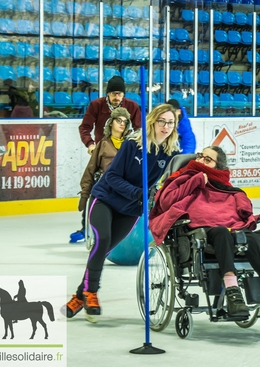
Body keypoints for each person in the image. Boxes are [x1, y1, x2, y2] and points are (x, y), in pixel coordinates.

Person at [64, 103, 181, 322]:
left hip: (130, 209)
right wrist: (137, 192)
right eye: (162, 121)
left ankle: (80, 295)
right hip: (106, 199)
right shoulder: (133, 144)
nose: (166, 126)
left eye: (170, 122)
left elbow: (163, 183)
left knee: (103, 250)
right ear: (153, 121)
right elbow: (112, 177)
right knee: (102, 240)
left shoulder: (172, 152)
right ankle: (91, 293)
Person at [149, 146, 260, 317]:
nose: (200, 160)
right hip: (202, 229)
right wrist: (195, 181)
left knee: (252, 238)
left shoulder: (224, 185)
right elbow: (165, 202)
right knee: (222, 233)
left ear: (218, 167)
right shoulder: (184, 177)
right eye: (200, 156)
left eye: (207, 159)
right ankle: (233, 294)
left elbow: (239, 201)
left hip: (231, 226)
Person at [69, 107, 133, 243]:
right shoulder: (102, 145)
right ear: (111, 122)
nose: (122, 124)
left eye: (125, 121)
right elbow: (90, 170)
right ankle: (86, 229)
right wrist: (85, 195)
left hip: (125, 188)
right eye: (119, 120)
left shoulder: (131, 145)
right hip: (107, 188)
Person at [78, 76, 141, 155]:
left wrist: (137, 145)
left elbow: (139, 129)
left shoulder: (132, 106)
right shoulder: (96, 105)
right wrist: (90, 144)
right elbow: (84, 127)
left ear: (123, 94)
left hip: (124, 149)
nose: (117, 97)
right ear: (108, 93)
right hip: (102, 149)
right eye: (113, 94)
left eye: (120, 94)